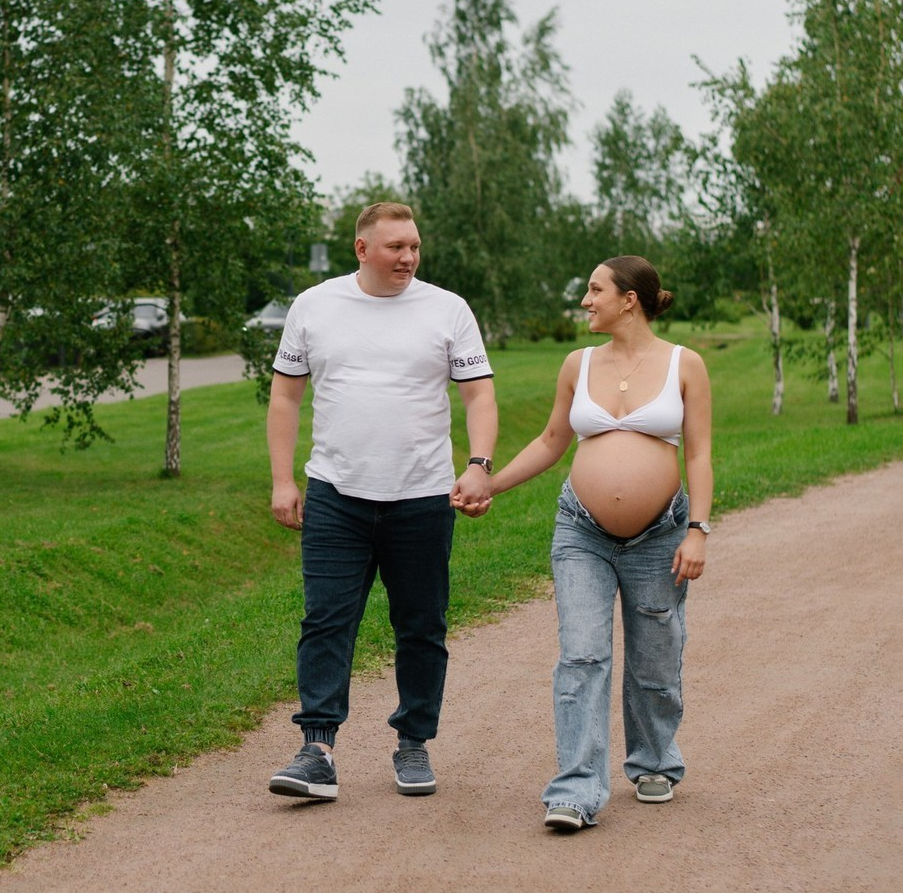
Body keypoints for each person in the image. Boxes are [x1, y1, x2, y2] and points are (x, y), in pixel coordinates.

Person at [456, 255, 712, 831]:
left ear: (629, 299)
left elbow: (698, 453)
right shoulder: (578, 363)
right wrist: (489, 482)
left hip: (660, 535)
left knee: (655, 657)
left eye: (595, 290)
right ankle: (576, 788)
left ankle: (654, 761)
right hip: (582, 531)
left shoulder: (684, 364)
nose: (585, 301)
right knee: (581, 655)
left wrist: (698, 530)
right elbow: (552, 441)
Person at [267, 202, 497, 801]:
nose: (409, 257)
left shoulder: (448, 309)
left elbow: (478, 394)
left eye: (414, 246)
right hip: (335, 494)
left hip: (422, 496)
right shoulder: (314, 305)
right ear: (362, 248)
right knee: (326, 620)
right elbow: (286, 397)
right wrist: (283, 481)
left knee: (421, 625)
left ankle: (413, 742)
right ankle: (317, 750)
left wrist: (479, 465)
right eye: (396, 247)